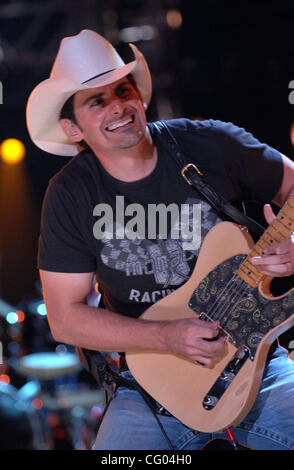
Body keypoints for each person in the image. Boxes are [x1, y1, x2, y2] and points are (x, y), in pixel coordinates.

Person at [26, 29, 294, 450]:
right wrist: (166, 336)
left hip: (260, 363)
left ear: (141, 96)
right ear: (72, 128)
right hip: (149, 386)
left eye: (123, 89)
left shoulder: (211, 144)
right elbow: (65, 318)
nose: (118, 105)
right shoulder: (71, 192)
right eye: (97, 101)